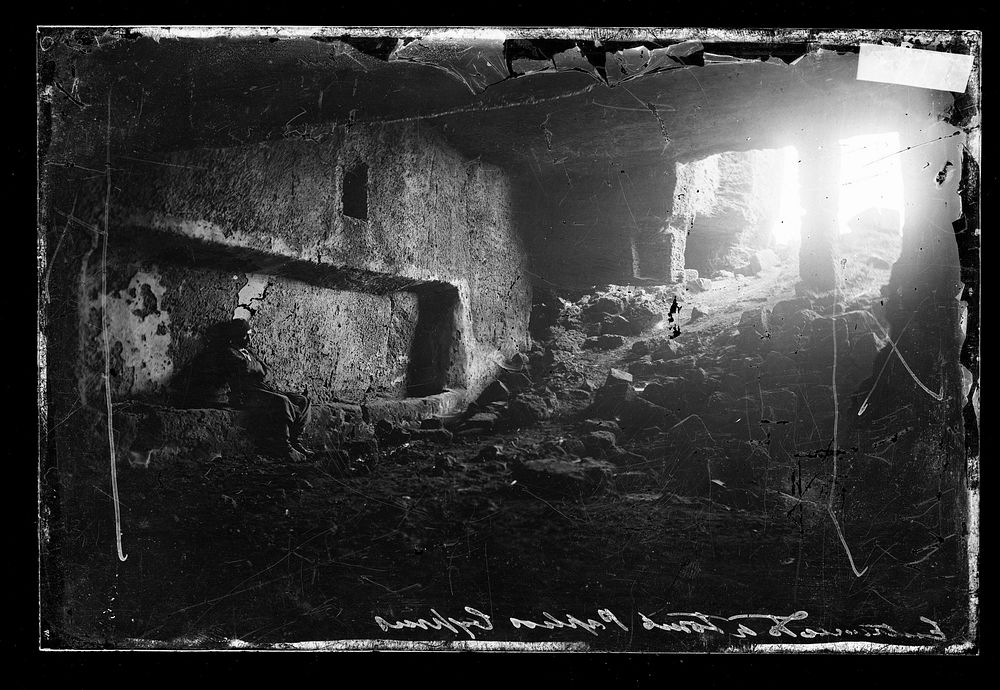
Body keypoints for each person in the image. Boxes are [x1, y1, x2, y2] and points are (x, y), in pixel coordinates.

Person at [173, 319, 312, 462]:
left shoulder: (248, 352)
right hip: (246, 394)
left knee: (303, 401)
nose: (249, 339)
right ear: (235, 336)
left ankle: (295, 440)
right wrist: (257, 369)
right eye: (245, 335)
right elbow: (243, 367)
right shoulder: (227, 352)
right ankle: (284, 446)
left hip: (263, 389)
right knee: (282, 402)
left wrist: (257, 369)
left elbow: (268, 372)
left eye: (250, 334)